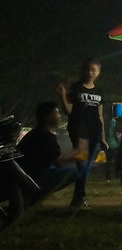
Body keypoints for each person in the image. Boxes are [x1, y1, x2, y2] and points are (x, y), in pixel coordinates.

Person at [58, 58, 108, 208]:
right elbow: (68, 111)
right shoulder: (75, 88)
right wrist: (62, 96)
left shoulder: (99, 92)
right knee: (83, 163)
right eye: (88, 69)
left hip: (94, 131)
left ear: (98, 73)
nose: (90, 72)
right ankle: (79, 197)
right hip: (79, 130)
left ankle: (78, 198)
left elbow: (100, 116)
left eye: (94, 70)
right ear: (83, 71)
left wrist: (103, 138)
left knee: (86, 164)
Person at [17, 102, 81, 199]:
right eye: (57, 113)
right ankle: (36, 195)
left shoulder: (33, 133)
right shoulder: (47, 137)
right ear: (46, 117)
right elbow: (58, 162)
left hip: (23, 175)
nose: (59, 116)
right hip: (34, 176)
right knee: (75, 172)